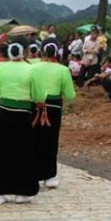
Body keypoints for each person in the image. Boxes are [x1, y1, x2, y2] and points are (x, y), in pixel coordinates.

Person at [0, 36, 46, 206]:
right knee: (23, 152)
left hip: (3, 111)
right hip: (23, 113)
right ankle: (22, 191)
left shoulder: (0, 69)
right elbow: (40, 96)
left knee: (0, 152)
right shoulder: (32, 70)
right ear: (26, 51)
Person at [31, 38, 76, 190]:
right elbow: (70, 95)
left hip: (35, 106)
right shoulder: (63, 70)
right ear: (56, 52)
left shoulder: (33, 67)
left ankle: (32, 173)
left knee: (34, 139)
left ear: (42, 51)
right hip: (54, 107)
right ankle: (49, 176)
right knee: (51, 140)